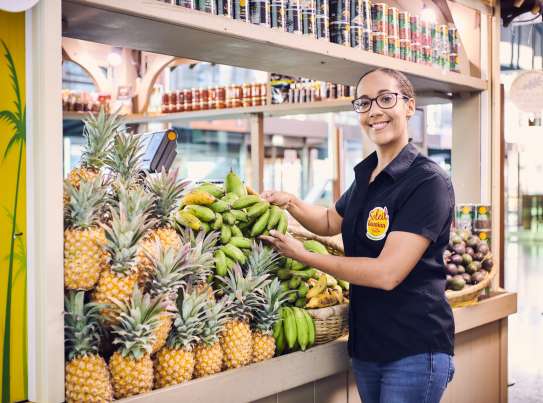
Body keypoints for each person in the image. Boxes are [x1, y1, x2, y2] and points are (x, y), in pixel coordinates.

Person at [260, 68, 455, 403]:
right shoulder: (367, 175)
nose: (374, 111)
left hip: (412, 347)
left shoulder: (427, 182)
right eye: (364, 103)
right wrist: (288, 200)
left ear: (409, 106)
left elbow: (387, 273)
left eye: (385, 99)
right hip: (368, 346)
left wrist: (303, 255)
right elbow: (327, 220)